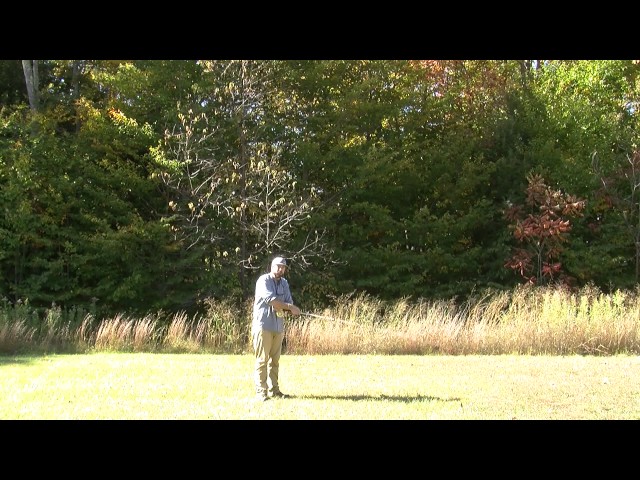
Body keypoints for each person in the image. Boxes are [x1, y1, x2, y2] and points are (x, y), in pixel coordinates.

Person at [251, 255, 301, 401]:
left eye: (283, 267)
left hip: (278, 326)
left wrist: (292, 309)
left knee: (275, 361)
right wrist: (290, 307)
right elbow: (273, 301)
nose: (280, 269)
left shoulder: (284, 283)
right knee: (262, 360)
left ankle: (275, 391)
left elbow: (287, 303)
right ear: (272, 267)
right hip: (263, 326)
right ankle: (261, 392)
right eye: (278, 266)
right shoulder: (264, 280)